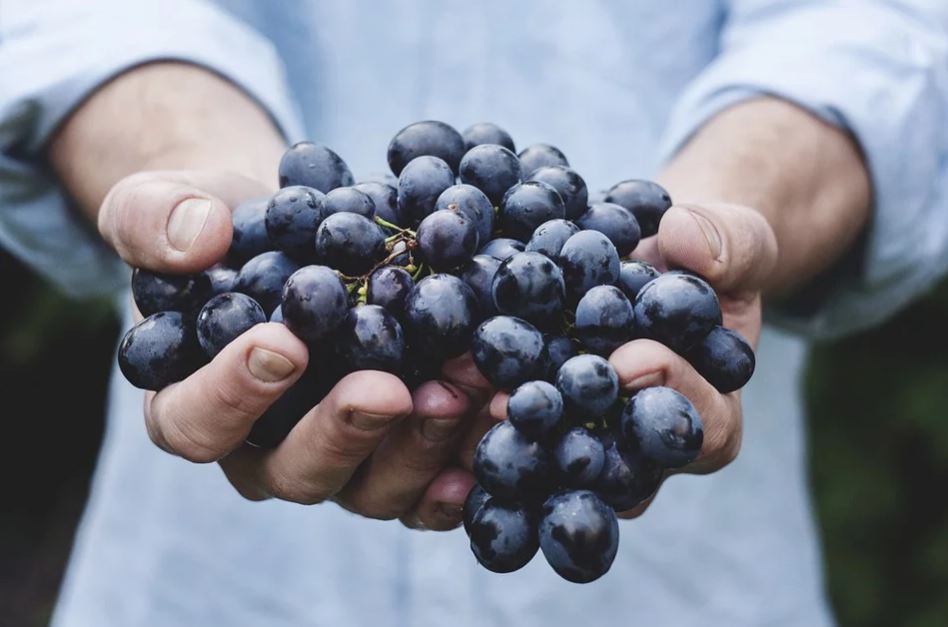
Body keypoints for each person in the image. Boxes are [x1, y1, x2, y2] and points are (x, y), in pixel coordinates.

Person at [2, 1, 947, 625]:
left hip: (685, 578)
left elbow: (879, 30)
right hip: (214, 580)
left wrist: (722, 213)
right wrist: (195, 183)